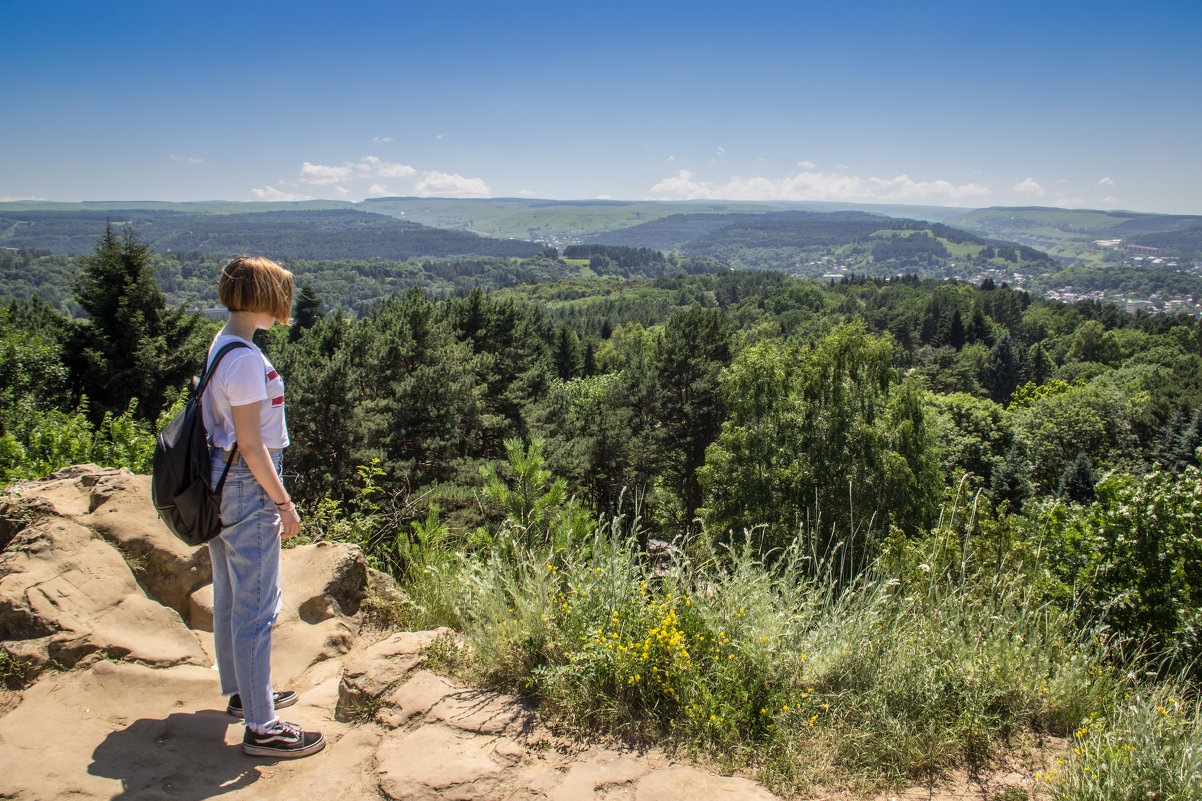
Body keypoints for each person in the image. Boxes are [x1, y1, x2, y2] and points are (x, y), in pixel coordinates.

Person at [203, 255, 325, 758]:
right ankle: (262, 725)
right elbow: (252, 445)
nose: (285, 307)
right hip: (248, 485)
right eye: (281, 297)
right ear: (265, 299)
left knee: (231, 594)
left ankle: (241, 695)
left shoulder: (222, 344)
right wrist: (284, 503)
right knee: (257, 607)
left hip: (216, 478)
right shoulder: (248, 361)